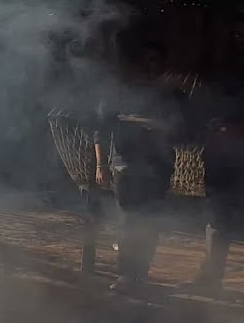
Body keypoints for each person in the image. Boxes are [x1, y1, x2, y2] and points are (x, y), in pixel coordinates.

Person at [95, 48, 187, 293]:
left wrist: (160, 126)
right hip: (125, 165)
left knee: (150, 222)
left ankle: (141, 275)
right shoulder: (118, 95)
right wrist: (101, 164)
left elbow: (185, 131)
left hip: (159, 167)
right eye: (146, 65)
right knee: (127, 220)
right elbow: (102, 132)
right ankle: (125, 274)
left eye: (155, 65)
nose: (150, 71)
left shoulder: (172, 96)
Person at [182, 72, 244, 296]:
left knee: (220, 223)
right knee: (217, 222)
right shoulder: (215, 95)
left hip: (235, 167)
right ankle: (210, 277)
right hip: (219, 168)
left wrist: (232, 130)